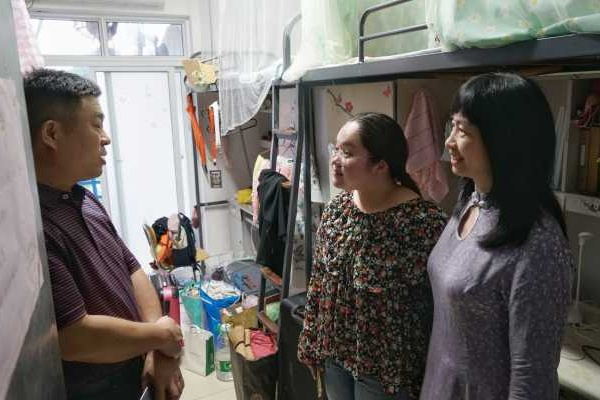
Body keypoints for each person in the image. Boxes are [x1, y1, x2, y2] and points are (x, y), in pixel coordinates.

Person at [24, 68, 185, 400]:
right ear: (52, 134)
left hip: (136, 369)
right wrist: (160, 338)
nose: (106, 137)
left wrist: (155, 344)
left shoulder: (83, 198)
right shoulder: (35, 226)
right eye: (96, 124)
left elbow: (131, 268)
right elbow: (74, 336)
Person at [420, 73, 572, 400]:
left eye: (462, 131)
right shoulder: (470, 201)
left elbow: (532, 379)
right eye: (451, 126)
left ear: (504, 140)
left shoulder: (538, 243)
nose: (448, 142)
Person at [298, 112, 447, 400]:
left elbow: (441, 307)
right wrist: (310, 341)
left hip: (387, 371)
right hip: (335, 356)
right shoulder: (337, 211)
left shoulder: (423, 224)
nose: (335, 159)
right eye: (336, 149)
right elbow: (320, 283)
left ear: (381, 165)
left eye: (347, 152)